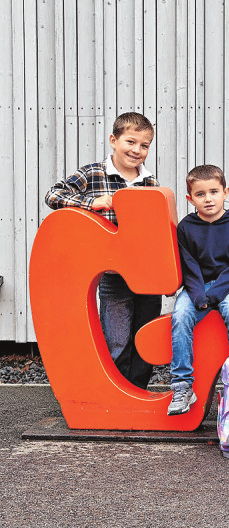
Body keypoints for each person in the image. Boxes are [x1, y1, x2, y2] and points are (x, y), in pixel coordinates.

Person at [44, 111, 161, 389]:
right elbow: (53, 195)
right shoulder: (93, 173)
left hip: (145, 274)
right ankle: (115, 395)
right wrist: (93, 202)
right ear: (113, 140)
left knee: (144, 337)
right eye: (130, 142)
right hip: (112, 272)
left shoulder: (150, 183)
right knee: (117, 339)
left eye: (144, 146)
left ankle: (138, 392)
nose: (136, 150)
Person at [169, 165, 229, 416]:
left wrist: (215, 294)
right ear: (190, 198)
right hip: (197, 286)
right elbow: (189, 266)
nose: (208, 199)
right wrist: (197, 295)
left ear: (226, 192)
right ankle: (182, 385)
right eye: (200, 194)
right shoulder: (186, 227)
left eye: (214, 192)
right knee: (180, 315)